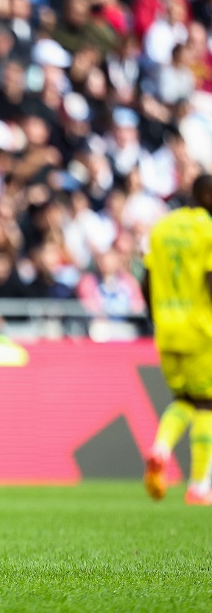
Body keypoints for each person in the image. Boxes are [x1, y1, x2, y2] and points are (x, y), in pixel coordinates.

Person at [142, 174, 212, 506]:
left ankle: (160, 448)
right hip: (200, 328)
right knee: (207, 405)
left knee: (182, 398)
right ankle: (199, 486)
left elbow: (147, 279)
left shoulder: (162, 228)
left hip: (166, 326)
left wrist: (155, 316)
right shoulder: (207, 229)